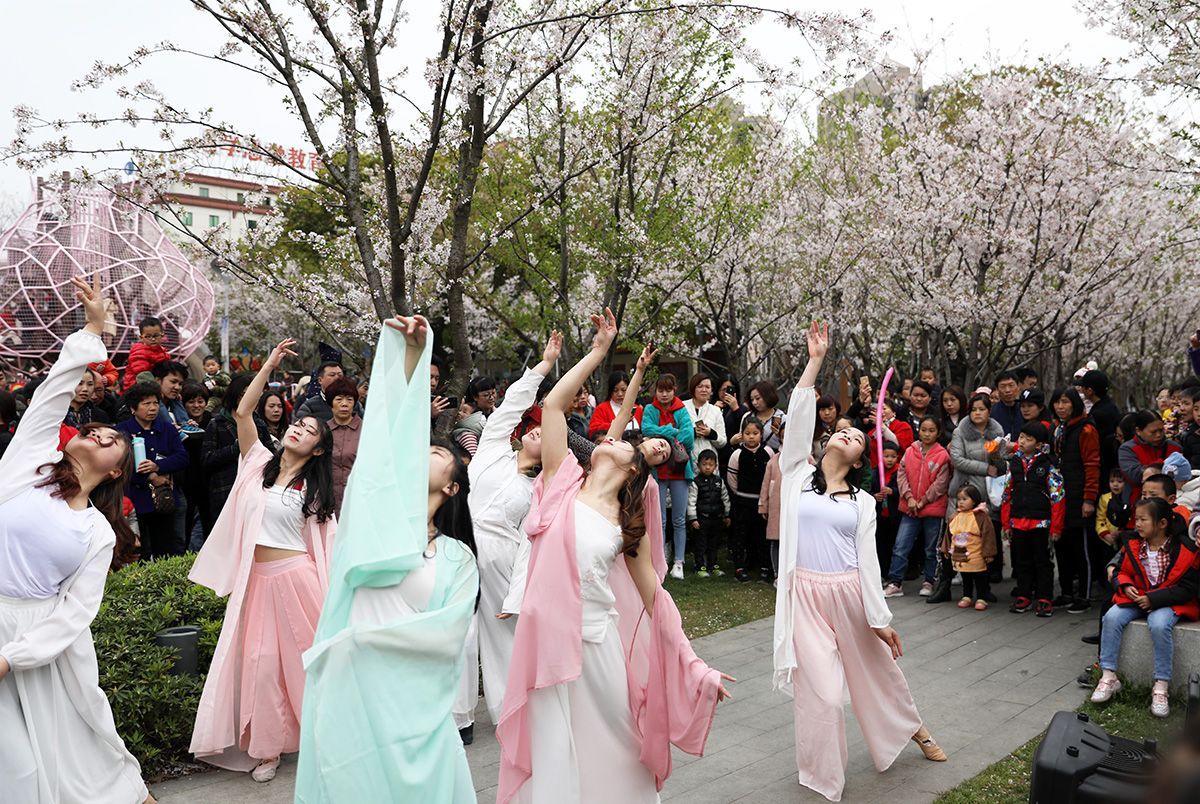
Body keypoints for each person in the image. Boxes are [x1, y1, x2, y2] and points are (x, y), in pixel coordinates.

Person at [496, 309, 732, 804]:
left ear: (633, 474)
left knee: (617, 741)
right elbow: (555, 406)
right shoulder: (563, 479)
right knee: (555, 748)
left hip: (594, 645)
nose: (621, 443)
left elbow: (655, 599)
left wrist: (693, 663)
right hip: (544, 640)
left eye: (630, 447)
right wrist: (600, 351)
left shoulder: (628, 523)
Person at [295, 315, 480, 803]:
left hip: (414, 703)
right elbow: (388, 433)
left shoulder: (457, 558)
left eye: (440, 453)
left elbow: (448, 633)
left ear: (452, 486)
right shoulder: (369, 517)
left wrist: (366, 640)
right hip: (354, 691)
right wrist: (410, 358)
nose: (427, 450)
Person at [772, 322, 944, 803]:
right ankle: (823, 775)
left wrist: (880, 620)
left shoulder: (862, 502)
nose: (845, 433)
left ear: (859, 458)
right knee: (823, 696)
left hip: (848, 591)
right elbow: (801, 415)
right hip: (804, 596)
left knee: (879, 673)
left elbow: (868, 563)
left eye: (855, 436)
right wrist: (815, 361)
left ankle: (914, 728)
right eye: (842, 429)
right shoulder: (794, 476)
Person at [0, 274, 154, 804]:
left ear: (116, 473)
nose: (102, 435)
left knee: (71, 742)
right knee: (11, 759)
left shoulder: (97, 531)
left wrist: (16, 655)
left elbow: (76, 611)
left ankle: (125, 791)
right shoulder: (29, 470)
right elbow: (47, 402)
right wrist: (90, 333)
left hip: (39, 642)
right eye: (97, 430)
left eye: (115, 442)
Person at [188, 338, 337, 782]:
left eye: (310, 431)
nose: (299, 430)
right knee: (261, 666)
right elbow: (241, 412)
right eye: (300, 424)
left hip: (299, 580)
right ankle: (268, 749)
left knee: (309, 662)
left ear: (319, 450)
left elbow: (327, 544)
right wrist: (269, 364)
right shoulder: (258, 463)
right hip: (258, 582)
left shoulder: (315, 492)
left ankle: (328, 738)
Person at [467, 332, 561, 731]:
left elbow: (528, 546)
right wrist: (544, 363)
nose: (537, 430)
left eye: (546, 434)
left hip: (499, 559)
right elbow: (511, 406)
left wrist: (517, 592)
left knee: (503, 635)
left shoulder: (537, 490)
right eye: (535, 428)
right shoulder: (491, 447)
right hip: (459, 543)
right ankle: (458, 716)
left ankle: (514, 712)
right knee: (459, 637)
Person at [1090, 497, 1198, 718]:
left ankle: (1161, 686)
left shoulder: (1185, 550)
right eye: (1136, 519)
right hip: (1137, 596)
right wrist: (1125, 584)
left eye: (1143, 519)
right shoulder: (1134, 545)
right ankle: (1109, 674)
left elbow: (1188, 589)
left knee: (1159, 624)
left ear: (1162, 523)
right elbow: (1120, 570)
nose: (1137, 524)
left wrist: (1154, 599)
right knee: (1111, 617)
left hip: (1169, 601)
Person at [115, 382, 190, 559]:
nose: (152, 408)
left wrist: (158, 467)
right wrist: (150, 477)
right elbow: (119, 464)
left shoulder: (166, 428)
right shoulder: (122, 431)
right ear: (133, 408)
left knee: (165, 548)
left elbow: (182, 457)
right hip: (133, 498)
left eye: (155, 403)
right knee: (138, 549)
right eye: (146, 404)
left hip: (163, 499)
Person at [1002, 422, 1066, 617]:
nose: (1022, 441)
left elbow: (1058, 496)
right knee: (1021, 560)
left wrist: (1056, 527)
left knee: (1042, 561)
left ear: (1038, 444)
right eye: (1021, 437)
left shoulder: (1048, 465)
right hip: (1018, 520)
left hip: (1041, 522)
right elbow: (1006, 494)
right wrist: (1006, 523)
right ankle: (1024, 594)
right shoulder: (1014, 463)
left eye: (1028, 439)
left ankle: (1044, 597)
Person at [884, 417, 951, 598]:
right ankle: (895, 582)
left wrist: (922, 502)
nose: (927, 434)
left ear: (938, 433)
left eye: (931, 430)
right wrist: (910, 498)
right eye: (923, 430)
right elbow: (902, 474)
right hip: (909, 508)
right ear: (918, 431)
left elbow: (941, 484)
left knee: (931, 549)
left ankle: (929, 581)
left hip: (932, 508)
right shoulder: (910, 451)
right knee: (901, 546)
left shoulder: (943, 455)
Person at [1049, 388, 1100, 613]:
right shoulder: (1058, 429)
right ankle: (1066, 591)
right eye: (1057, 402)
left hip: (1079, 495)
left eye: (1065, 402)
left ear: (1075, 404)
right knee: (1062, 544)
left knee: (1081, 548)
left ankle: (1084, 596)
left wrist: (1089, 498)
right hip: (1060, 495)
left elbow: (1092, 465)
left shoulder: (1086, 429)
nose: (1060, 407)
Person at [949, 393, 1008, 587]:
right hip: (966, 489)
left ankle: (992, 573)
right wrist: (985, 468)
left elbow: (1003, 459)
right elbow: (957, 459)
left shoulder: (997, 430)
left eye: (982, 409)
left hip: (992, 491)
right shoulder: (960, 432)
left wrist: (999, 460)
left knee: (991, 531)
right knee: (965, 533)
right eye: (974, 409)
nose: (977, 413)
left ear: (989, 411)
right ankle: (964, 575)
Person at [642, 372, 696, 579]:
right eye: (660, 390)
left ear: (674, 390)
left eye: (668, 390)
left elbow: (689, 438)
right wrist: (671, 431)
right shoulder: (650, 409)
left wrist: (660, 435)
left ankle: (679, 561)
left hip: (679, 470)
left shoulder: (681, 409)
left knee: (679, 519)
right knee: (658, 519)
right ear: (655, 391)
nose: (664, 394)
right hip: (657, 470)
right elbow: (646, 428)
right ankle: (660, 559)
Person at [728, 418, 775, 583]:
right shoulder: (737, 454)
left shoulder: (768, 452)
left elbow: (772, 478)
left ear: (762, 435)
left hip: (762, 503)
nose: (751, 437)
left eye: (755, 433)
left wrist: (766, 498)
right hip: (742, 503)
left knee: (762, 536)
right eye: (747, 433)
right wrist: (740, 495)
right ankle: (740, 567)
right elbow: (732, 479)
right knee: (740, 536)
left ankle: (765, 567)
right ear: (742, 435)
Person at [942, 486, 997, 610]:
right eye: (959, 499)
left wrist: (988, 553)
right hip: (960, 553)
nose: (960, 502)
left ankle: (981, 597)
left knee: (979, 576)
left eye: (964, 499)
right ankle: (967, 595)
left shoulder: (981, 516)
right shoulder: (955, 516)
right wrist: (946, 549)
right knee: (965, 575)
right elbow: (948, 534)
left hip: (976, 553)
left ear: (974, 500)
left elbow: (988, 535)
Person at [1119, 411, 1182, 504]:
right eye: (1153, 432)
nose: (1158, 435)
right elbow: (1135, 475)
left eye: (1161, 430)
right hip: (1138, 502)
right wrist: (1161, 466)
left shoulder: (1175, 448)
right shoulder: (1127, 449)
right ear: (1138, 431)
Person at [180, 381, 213, 549]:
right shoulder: (180, 423)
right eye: (191, 401)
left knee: (209, 520)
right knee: (185, 521)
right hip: (186, 480)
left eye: (200, 401)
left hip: (208, 481)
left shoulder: (213, 422)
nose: (196, 405)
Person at [324, 377, 362, 518]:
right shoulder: (323, 431)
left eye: (349, 400)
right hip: (328, 503)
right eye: (339, 399)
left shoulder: (367, 430)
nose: (344, 404)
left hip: (358, 501)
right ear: (331, 403)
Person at [691, 449, 731, 578]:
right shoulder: (695, 482)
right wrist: (693, 519)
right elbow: (691, 501)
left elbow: (725, 498)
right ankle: (700, 566)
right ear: (698, 465)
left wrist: (727, 514)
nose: (707, 467)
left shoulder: (719, 481)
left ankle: (713, 565)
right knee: (701, 544)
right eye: (704, 464)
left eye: (711, 464)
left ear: (715, 466)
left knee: (714, 544)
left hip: (716, 518)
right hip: (702, 519)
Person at [292, 361, 360, 423]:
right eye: (332, 375)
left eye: (340, 375)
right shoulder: (309, 406)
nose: (337, 378)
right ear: (320, 380)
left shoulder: (354, 405)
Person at [586, 370, 643, 441]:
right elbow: (592, 431)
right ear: (610, 391)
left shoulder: (637, 409)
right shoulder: (602, 409)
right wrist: (617, 423)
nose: (620, 394)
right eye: (615, 390)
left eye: (623, 390)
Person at [684, 372, 728, 463]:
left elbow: (723, 441)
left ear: (711, 391)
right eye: (700, 386)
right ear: (693, 388)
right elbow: (676, 434)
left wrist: (710, 433)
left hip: (709, 465)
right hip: (687, 462)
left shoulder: (716, 411)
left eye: (707, 387)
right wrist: (692, 433)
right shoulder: (682, 407)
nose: (704, 390)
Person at [731, 380, 786, 452]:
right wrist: (734, 441)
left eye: (757, 398)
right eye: (752, 400)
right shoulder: (748, 416)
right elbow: (742, 442)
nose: (754, 402)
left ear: (768, 396)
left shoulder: (782, 418)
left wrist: (778, 436)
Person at [872, 442, 902, 572]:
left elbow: (903, 490)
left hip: (894, 515)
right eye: (886, 456)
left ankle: (893, 572)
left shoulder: (900, 472)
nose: (889, 459)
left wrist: (893, 492)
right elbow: (868, 490)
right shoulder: (875, 472)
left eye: (893, 456)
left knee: (894, 544)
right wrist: (874, 496)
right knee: (880, 545)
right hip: (879, 516)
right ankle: (882, 572)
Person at [121, 316, 170, 393]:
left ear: (162, 335)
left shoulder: (162, 351)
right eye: (148, 336)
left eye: (156, 335)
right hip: (136, 389)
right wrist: (159, 392)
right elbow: (143, 375)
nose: (153, 339)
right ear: (141, 337)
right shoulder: (139, 352)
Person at [452, 376, 497, 456]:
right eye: (486, 395)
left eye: (493, 393)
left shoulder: (500, 413)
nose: (491, 398)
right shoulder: (467, 418)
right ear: (475, 397)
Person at [991, 371, 1022, 439]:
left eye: (1011, 385)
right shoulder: (991, 412)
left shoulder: (1025, 410)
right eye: (1003, 386)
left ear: (1018, 386)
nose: (1007, 390)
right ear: (997, 389)